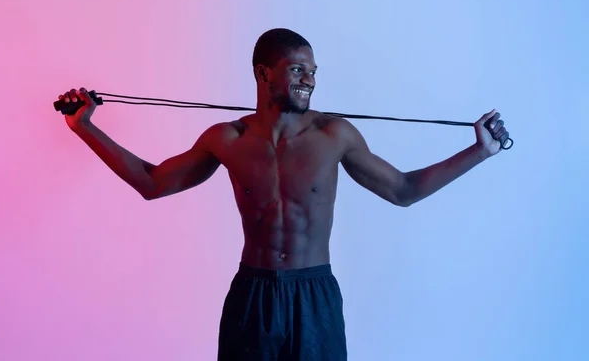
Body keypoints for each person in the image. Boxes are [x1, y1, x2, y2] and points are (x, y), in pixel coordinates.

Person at [58, 28, 509, 360]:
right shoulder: (228, 138)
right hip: (253, 296)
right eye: (298, 69)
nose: (309, 79)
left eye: (313, 72)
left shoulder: (334, 135)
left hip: (314, 295)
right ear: (263, 72)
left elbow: (404, 190)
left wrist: (479, 151)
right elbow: (152, 183)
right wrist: (85, 128)